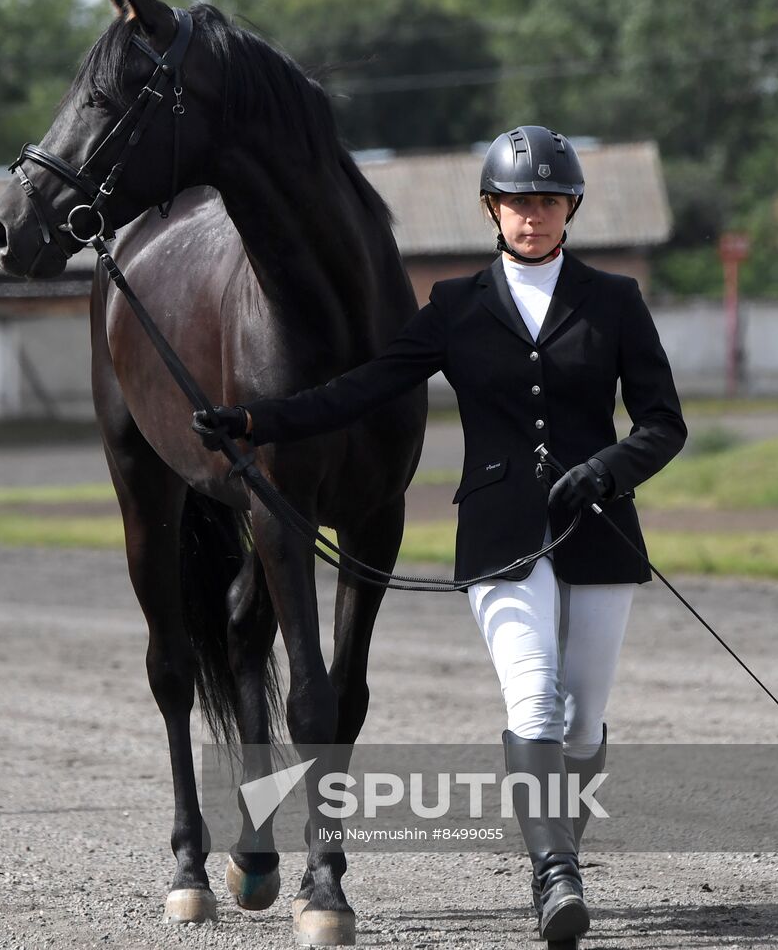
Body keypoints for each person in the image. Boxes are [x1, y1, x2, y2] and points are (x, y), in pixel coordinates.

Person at [192, 125, 687, 944]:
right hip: (498, 536)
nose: (533, 216)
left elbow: (664, 423)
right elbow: (358, 390)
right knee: (533, 694)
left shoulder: (616, 301)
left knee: (584, 720)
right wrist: (252, 419)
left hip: (599, 532)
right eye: (519, 202)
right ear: (492, 210)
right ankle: (554, 876)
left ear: (572, 209)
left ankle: (560, 839)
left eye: (549, 202)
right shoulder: (455, 307)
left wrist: (608, 469)